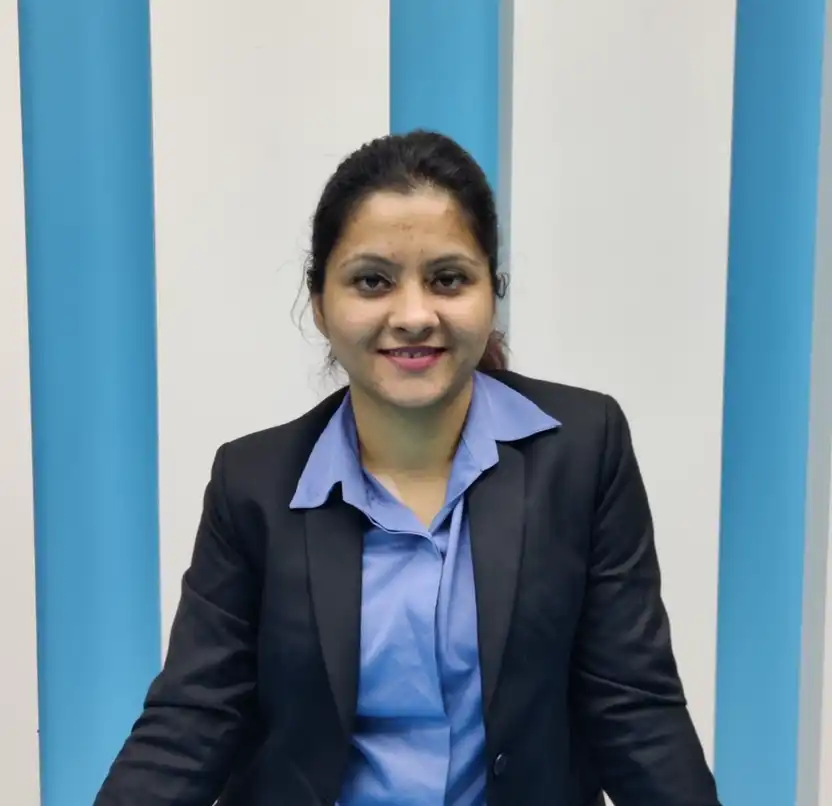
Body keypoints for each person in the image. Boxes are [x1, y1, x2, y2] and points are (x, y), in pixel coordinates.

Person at [94, 130, 721, 806]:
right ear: (319, 302)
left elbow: (634, 708)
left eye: (448, 279)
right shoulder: (254, 484)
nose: (415, 315)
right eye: (373, 281)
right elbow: (191, 721)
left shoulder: (583, 450)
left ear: (492, 291)